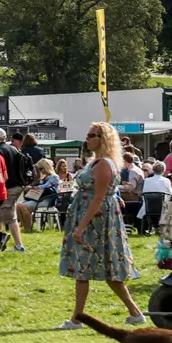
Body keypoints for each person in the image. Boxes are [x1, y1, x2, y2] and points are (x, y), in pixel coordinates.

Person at [55, 121, 144, 329]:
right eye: (88, 134)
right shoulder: (97, 161)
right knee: (106, 271)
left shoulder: (104, 164)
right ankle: (135, 313)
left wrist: (81, 227)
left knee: (83, 269)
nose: (87, 138)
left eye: (92, 135)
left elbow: (98, 198)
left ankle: (77, 319)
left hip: (95, 221)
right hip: (91, 217)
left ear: (103, 139)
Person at [17, 158, 61, 231]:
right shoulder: (44, 177)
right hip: (39, 199)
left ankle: (28, 229)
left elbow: (45, 187)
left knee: (23, 206)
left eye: (41, 168)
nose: (40, 171)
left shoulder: (54, 177)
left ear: (46, 167)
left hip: (47, 200)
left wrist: (32, 187)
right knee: (18, 206)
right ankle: (26, 227)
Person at [139, 162, 172, 235]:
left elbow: (143, 193)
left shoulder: (146, 180)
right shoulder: (166, 181)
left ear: (153, 170)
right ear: (163, 171)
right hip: (162, 208)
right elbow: (171, 194)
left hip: (148, 207)